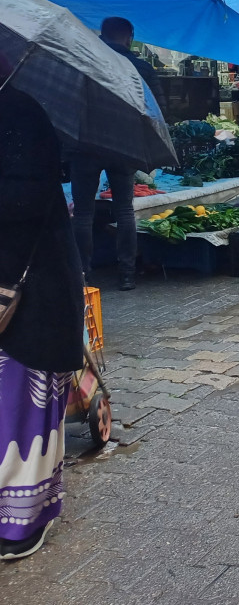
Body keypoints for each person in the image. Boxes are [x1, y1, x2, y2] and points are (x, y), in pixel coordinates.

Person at [0, 81, 85, 560]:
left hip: (27, 297)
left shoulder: (18, 111)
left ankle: (22, 523)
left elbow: (26, 198)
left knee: (19, 412)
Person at [70, 17, 163, 292]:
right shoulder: (142, 68)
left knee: (83, 212)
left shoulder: (83, 64)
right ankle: (127, 274)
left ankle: (82, 274)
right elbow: (158, 111)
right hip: (124, 146)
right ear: (129, 36)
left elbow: (69, 104)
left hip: (85, 146)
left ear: (102, 35)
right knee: (124, 210)